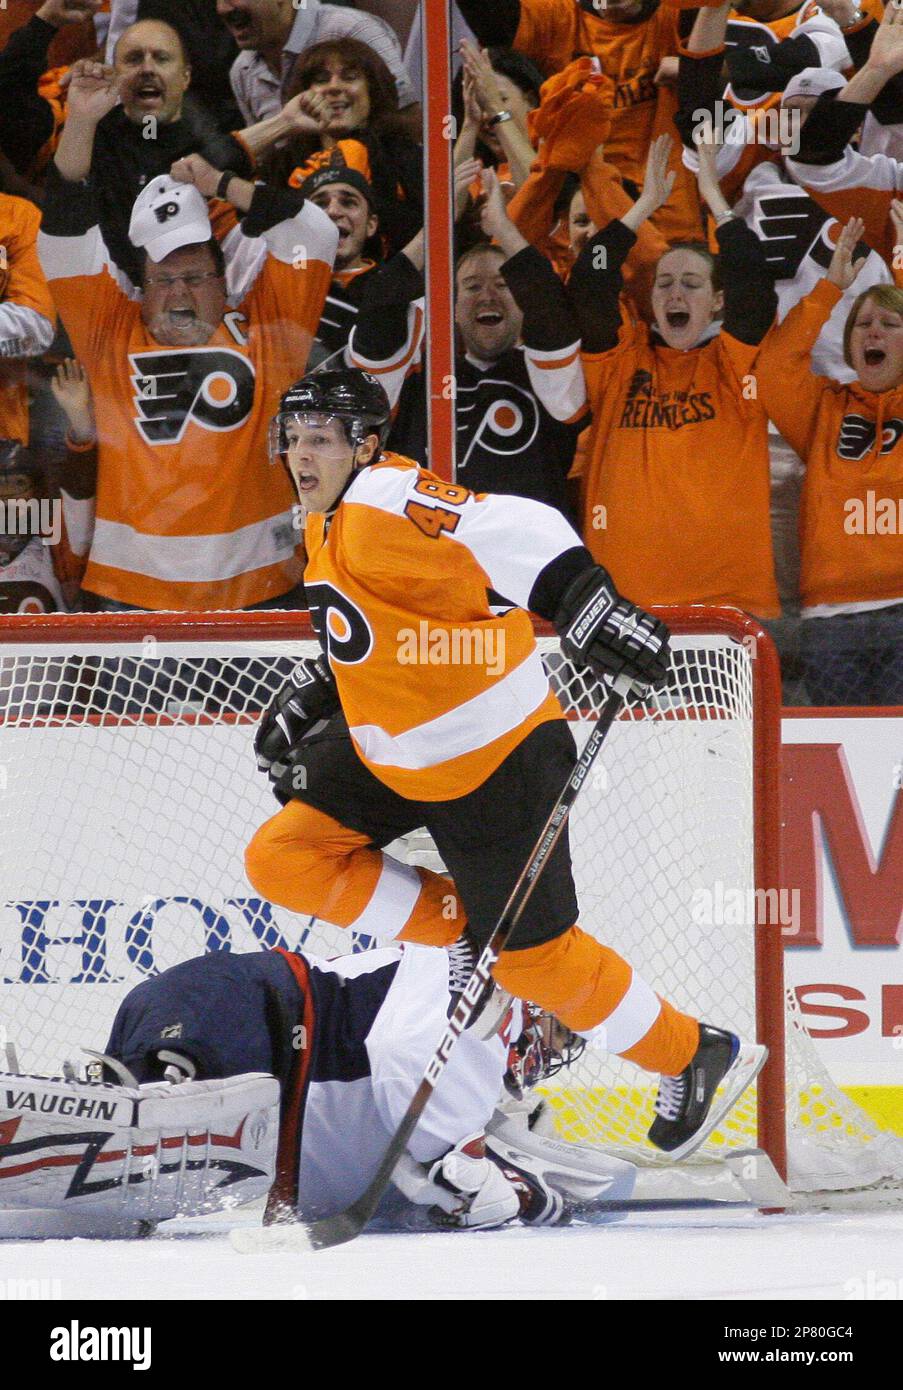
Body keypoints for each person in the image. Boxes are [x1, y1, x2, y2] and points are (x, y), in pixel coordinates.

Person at [244, 366, 766, 1165]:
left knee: (537, 962)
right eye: (294, 439)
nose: (302, 455)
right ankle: (469, 933)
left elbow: (505, 523)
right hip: (399, 751)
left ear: (368, 445)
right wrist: (325, 683)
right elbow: (395, 616)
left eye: (321, 439)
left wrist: (582, 596)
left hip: (495, 757)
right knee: (283, 857)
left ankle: (690, 1052)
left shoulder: (383, 497)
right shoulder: (324, 515)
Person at [0, 940, 635, 1236]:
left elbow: (422, 1177)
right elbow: (405, 1053)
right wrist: (466, 1169)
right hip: (257, 1017)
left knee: (123, 1191)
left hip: (258, 1105)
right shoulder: (474, 992)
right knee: (160, 1117)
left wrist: (501, 1187)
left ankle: (76, 1111)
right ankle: (125, 1091)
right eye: (556, 1034)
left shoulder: (472, 1076)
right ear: (537, 998)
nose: (547, 1054)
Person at [38, 59, 338, 611]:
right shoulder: (110, 331)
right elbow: (60, 234)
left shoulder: (270, 328)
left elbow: (315, 232)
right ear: (140, 284)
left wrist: (220, 182)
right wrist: (81, 121)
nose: (179, 293)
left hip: (263, 591)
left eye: (196, 276)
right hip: (131, 597)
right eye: (164, 278)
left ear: (224, 280)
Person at [566, 133, 780, 619]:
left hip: (728, 605)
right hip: (623, 606)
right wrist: (639, 211)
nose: (675, 294)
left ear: (718, 301)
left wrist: (716, 201)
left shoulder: (732, 361)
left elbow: (755, 289)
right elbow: (589, 278)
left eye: (691, 283)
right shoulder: (622, 359)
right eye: (664, 283)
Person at [350, 167, 588, 514]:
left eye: (503, 285)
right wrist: (435, 225)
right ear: (453, 309)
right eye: (473, 286)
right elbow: (378, 313)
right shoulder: (420, 382)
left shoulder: (548, 380)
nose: (487, 296)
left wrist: (504, 229)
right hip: (434, 557)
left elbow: (549, 306)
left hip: (520, 560)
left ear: (522, 302)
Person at [754, 218, 903, 705]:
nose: (872, 331)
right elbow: (775, 367)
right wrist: (830, 289)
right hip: (829, 620)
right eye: (862, 323)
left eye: (888, 323)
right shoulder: (823, 408)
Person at [218, 0, 418, 129]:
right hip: (293, 191)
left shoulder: (351, 29)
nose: (223, 8)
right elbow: (265, 165)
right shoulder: (243, 69)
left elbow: (414, 122)